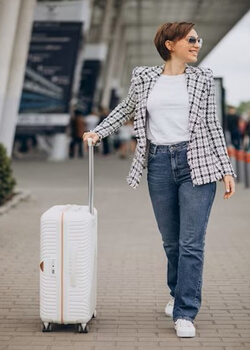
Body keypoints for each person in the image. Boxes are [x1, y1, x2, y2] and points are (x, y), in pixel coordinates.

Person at [83, 22, 237, 338]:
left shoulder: (202, 79)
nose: (197, 44)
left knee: (191, 242)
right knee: (172, 241)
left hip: (198, 164)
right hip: (159, 165)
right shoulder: (143, 77)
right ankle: (177, 291)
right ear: (170, 44)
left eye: (199, 39)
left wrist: (226, 169)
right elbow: (126, 108)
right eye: (192, 39)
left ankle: (185, 312)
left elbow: (212, 125)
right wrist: (99, 132)